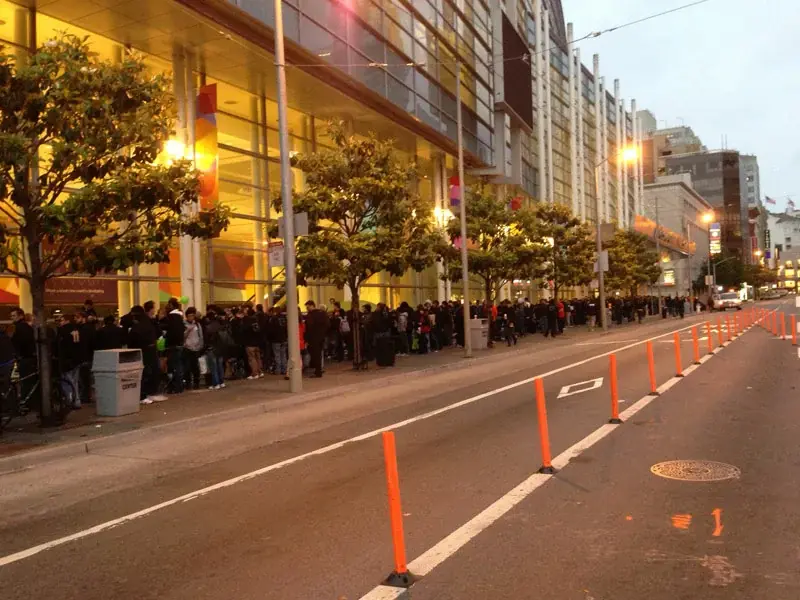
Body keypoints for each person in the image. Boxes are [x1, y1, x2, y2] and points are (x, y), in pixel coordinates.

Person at [10, 307, 37, 409]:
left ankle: (25, 403)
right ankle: (29, 403)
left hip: (24, 358)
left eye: (14, 316)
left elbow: (15, 343)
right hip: (29, 357)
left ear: (21, 316)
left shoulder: (17, 328)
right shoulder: (28, 327)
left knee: (24, 381)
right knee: (29, 381)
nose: (12, 318)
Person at [163, 297, 185, 393]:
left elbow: (170, 332)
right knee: (179, 366)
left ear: (171, 305)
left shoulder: (171, 317)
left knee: (172, 366)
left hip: (172, 345)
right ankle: (179, 386)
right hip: (180, 344)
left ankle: (174, 386)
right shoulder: (180, 317)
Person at [203, 307, 227, 390]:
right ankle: (221, 382)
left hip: (211, 348)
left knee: (213, 367)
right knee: (220, 366)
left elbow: (206, 339)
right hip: (220, 348)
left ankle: (216, 383)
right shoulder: (220, 325)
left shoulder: (208, 327)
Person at [304, 300, 329, 377]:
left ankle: (318, 372)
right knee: (319, 354)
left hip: (313, 338)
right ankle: (318, 370)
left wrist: (307, 338)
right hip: (321, 337)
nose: (307, 309)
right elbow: (328, 325)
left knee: (315, 354)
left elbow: (309, 327)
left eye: (307, 307)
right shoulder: (322, 314)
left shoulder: (310, 315)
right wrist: (323, 333)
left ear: (312, 306)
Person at [183, 307, 205, 390]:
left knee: (195, 367)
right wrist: (187, 331)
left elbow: (201, 335)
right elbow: (182, 337)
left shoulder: (197, 324)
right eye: (189, 316)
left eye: (192, 316)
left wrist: (200, 345)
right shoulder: (184, 324)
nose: (191, 318)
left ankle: (196, 383)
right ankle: (188, 383)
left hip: (196, 348)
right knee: (187, 367)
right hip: (187, 348)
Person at [267, 306, 289, 380]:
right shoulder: (285, 318)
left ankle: (278, 370)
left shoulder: (273, 319)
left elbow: (270, 330)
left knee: (277, 355)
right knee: (284, 355)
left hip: (276, 340)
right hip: (284, 339)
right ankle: (284, 369)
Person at [242, 307, 264, 379]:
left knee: (252, 359)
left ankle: (254, 373)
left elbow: (244, 330)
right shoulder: (256, 321)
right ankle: (260, 371)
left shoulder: (247, 321)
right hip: (257, 343)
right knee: (258, 358)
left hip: (250, 343)